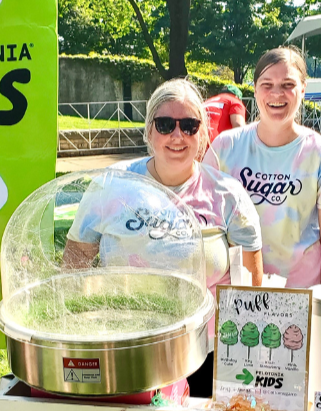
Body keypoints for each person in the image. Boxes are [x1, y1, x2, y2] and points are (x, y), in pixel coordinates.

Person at [65, 78, 263, 395]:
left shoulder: (228, 195)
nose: (177, 135)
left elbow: (251, 284)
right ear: (149, 131)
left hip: (207, 353)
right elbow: (74, 264)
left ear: (203, 133)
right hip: (126, 348)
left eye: (189, 125)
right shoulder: (112, 185)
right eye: (165, 124)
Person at [204, 46, 321, 288]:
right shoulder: (224, 148)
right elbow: (207, 228)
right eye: (267, 84)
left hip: (301, 294)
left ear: (303, 88)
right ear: (255, 88)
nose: (277, 94)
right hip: (241, 294)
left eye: (288, 85)